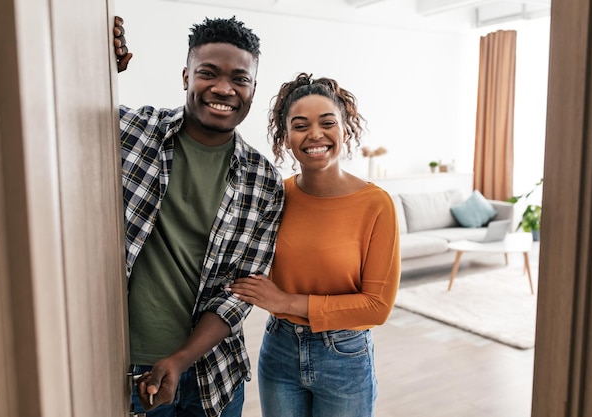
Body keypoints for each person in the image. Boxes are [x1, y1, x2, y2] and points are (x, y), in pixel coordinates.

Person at [113, 16, 285, 417]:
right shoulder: (133, 132)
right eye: (208, 73)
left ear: (253, 89)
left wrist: (180, 360)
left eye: (239, 79)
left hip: (213, 375)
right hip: (129, 368)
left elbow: (241, 292)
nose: (223, 88)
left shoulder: (264, 181)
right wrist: (97, 65)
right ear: (186, 76)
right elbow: (56, 108)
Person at [228, 73, 401, 417]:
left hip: (345, 356)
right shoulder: (275, 196)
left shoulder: (376, 204)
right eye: (300, 125)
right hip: (279, 349)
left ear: (345, 129)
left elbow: (377, 307)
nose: (315, 135)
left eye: (327, 122)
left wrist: (284, 300)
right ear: (286, 137)